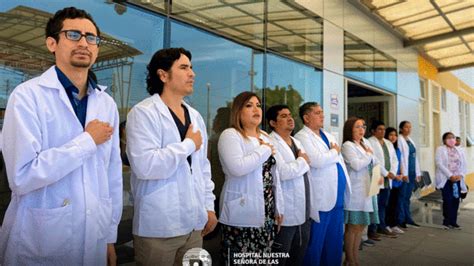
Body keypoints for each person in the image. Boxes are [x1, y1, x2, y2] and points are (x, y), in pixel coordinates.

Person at [0, 7, 122, 265]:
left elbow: (111, 175)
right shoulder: (26, 97)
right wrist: (87, 141)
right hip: (40, 237)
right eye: (74, 34)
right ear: (51, 43)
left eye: (91, 38)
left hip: (94, 238)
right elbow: (22, 176)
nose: (84, 43)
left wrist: (109, 236)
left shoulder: (106, 103)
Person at [126, 48, 217, 265]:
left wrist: (209, 207)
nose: (192, 74)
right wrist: (187, 145)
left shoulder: (195, 116)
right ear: (163, 75)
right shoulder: (143, 113)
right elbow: (145, 166)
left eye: (191, 68)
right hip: (159, 228)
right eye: (184, 68)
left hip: (195, 225)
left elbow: (202, 167)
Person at [218, 91, 283, 264]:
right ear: (238, 111)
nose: (256, 109)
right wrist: (264, 150)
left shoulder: (265, 137)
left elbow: (274, 176)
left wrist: (278, 208)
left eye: (258, 105)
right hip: (241, 215)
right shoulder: (230, 135)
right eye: (249, 105)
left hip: (266, 213)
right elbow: (237, 168)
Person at [294, 102, 351, 266]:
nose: (322, 115)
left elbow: (335, 161)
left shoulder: (329, 135)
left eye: (322, 112)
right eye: (318, 113)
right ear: (306, 118)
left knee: (334, 243)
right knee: (316, 244)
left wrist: (332, 153)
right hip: (321, 199)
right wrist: (334, 152)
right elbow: (316, 160)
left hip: (337, 198)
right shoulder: (302, 137)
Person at [266, 105, 310, 266]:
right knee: (280, 257)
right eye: (284, 116)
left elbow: (304, 167)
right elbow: (282, 172)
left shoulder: (297, 142)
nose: (290, 118)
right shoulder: (270, 142)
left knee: (298, 254)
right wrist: (302, 161)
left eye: (290, 115)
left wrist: (302, 163)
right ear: (272, 122)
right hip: (285, 211)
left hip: (304, 209)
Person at [342, 117, 382, 266]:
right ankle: (350, 260)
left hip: (368, 190)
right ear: (350, 129)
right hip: (356, 192)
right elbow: (357, 165)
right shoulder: (348, 145)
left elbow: (376, 162)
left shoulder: (364, 144)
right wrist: (369, 155)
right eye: (357, 127)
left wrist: (380, 173)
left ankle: (354, 259)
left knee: (360, 227)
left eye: (363, 126)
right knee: (352, 227)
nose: (361, 129)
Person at [367, 121, 398, 238]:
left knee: (383, 204)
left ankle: (382, 226)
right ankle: (372, 229)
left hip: (388, 179)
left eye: (384, 129)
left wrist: (393, 172)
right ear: (373, 131)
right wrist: (386, 173)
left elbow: (394, 159)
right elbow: (374, 160)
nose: (382, 131)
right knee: (374, 204)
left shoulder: (388, 143)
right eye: (379, 129)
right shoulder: (369, 142)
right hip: (377, 177)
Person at [435, 132, 468, 229]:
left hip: (457, 179)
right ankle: (446, 222)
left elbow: (464, 164)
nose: (451, 139)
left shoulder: (459, 150)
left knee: (456, 200)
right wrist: (450, 175)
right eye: (449, 138)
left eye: (453, 137)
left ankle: (453, 222)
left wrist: (460, 175)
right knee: (448, 200)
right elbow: (439, 163)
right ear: (444, 140)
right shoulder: (440, 149)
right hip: (446, 179)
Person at [397, 121, 421, 228]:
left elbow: (414, 157)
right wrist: (404, 173)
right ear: (401, 129)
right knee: (402, 196)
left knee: (407, 197)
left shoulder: (410, 140)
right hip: (405, 173)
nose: (409, 129)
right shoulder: (400, 140)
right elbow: (401, 158)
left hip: (412, 172)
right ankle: (401, 219)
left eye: (410, 127)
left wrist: (417, 172)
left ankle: (408, 218)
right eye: (406, 127)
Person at [384, 127, 407, 234]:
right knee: (387, 204)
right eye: (390, 135)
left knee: (395, 203)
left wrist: (402, 174)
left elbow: (401, 162)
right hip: (389, 179)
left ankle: (394, 224)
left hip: (398, 179)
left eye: (395, 135)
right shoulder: (385, 148)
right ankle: (386, 224)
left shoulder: (397, 149)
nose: (393, 137)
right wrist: (394, 175)